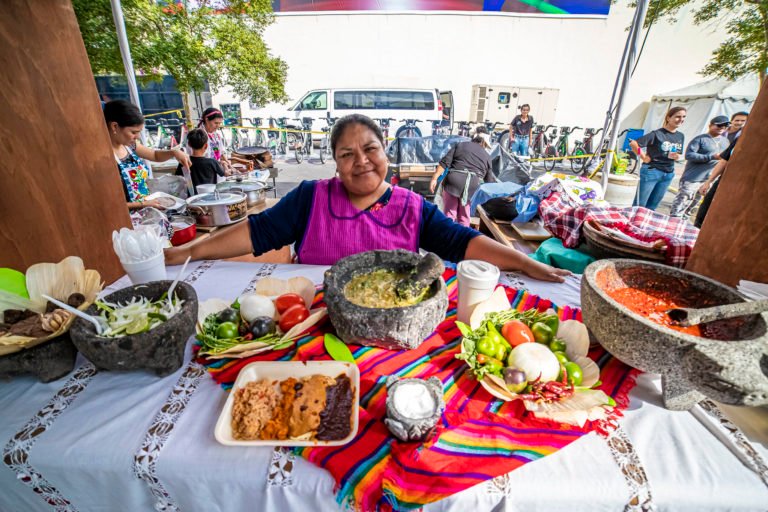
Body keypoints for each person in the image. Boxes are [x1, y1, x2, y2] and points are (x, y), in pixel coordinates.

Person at [165, 114, 570, 283]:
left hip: (390, 334)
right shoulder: (309, 198)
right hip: (313, 331)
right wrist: (187, 253)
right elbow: (256, 232)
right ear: (336, 164)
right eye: (347, 154)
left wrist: (524, 262)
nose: (361, 162)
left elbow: (462, 243)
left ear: (386, 151)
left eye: (370, 149)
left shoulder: (413, 209)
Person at [104, 100, 191, 210]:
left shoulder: (130, 146)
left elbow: (155, 155)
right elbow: (109, 204)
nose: (138, 137)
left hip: (144, 212)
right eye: (134, 132)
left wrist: (174, 152)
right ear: (114, 126)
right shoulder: (103, 157)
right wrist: (145, 204)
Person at [429, 131, 497, 227]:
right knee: (464, 217)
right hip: (471, 186)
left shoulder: (460, 145)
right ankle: (463, 240)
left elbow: (444, 163)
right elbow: (489, 181)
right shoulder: (487, 156)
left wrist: (434, 179)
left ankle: (447, 239)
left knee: (449, 214)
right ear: (483, 143)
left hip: (453, 182)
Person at [668, 115, 730, 218]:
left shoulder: (725, 141)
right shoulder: (700, 139)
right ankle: (672, 223)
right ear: (710, 125)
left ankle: (683, 225)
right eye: (719, 126)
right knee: (681, 204)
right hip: (693, 178)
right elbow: (689, 155)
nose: (721, 128)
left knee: (693, 205)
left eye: (724, 126)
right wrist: (711, 157)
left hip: (708, 180)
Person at [630, 106, 686, 211]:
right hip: (652, 171)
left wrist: (677, 156)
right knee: (639, 205)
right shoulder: (656, 134)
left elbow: (677, 152)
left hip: (668, 173)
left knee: (652, 206)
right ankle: (632, 224)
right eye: (677, 116)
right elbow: (634, 143)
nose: (681, 119)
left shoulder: (680, 136)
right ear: (668, 118)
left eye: (683, 117)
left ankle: (644, 226)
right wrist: (643, 156)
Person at [694, 135, 740, 228]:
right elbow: (723, 161)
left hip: (740, 189)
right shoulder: (740, 139)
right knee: (703, 213)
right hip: (722, 182)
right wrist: (708, 182)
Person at [175, 128, 230, 193]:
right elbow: (226, 174)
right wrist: (224, 164)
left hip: (192, 198)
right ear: (206, 146)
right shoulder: (212, 162)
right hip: (210, 196)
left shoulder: (184, 161)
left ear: (189, 144)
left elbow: (177, 177)